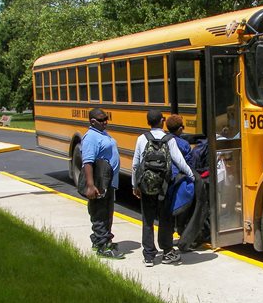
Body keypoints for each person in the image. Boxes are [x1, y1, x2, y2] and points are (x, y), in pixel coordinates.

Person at [132, 110, 195, 267]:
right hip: (165, 186)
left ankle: (148, 255)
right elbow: (179, 161)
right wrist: (191, 176)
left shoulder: (141, 139)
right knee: (165, 219)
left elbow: (135, 164)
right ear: (161, 121)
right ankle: (167, 251)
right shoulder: (169, 139)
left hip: (147, 185)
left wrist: (135, 184)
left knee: (147, 219)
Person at [81, 108, 124, 259]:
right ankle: (102, 247)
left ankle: (101, 240)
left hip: (108, 181)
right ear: (92, 122)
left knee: (107, 212)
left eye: (107, 119)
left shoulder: (101, 133)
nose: (105, 122)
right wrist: (91, 185)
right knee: (100, 212)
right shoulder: (91, 137)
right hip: (99, 181)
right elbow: (87, 162)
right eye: (102, 120)